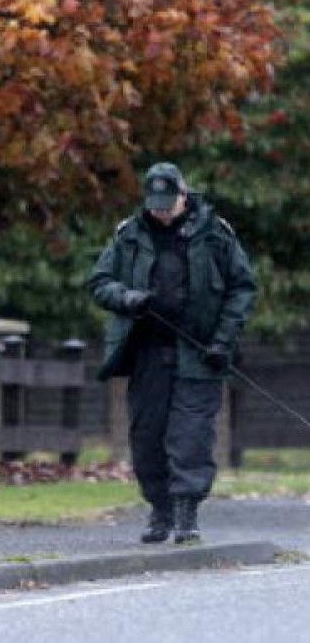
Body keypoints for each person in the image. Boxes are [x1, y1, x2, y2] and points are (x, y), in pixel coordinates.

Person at [87, 162, 256, 544]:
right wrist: (127, 298)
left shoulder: (216, 234)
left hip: (199, 352)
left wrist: (222, 341)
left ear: (184, 195)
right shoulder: (128, 235)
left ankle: (186, 513)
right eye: (155, 203)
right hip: (148, 351)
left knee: (191, 435)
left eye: (168, 202)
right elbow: (99, 282)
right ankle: (159, 510)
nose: (161, 210)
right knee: (147, 436)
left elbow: (242, 288)